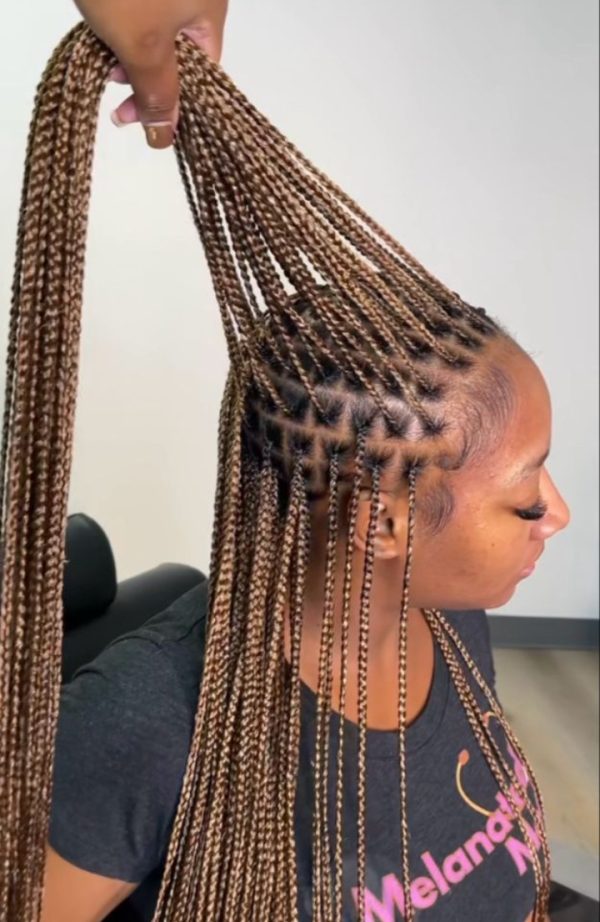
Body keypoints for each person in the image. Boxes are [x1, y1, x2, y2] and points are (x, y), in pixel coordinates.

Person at [12, 6, 568, 921]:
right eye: (524, 497)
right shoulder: (147, 729)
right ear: (382, 522)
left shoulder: (451, 620)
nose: (559, 513)